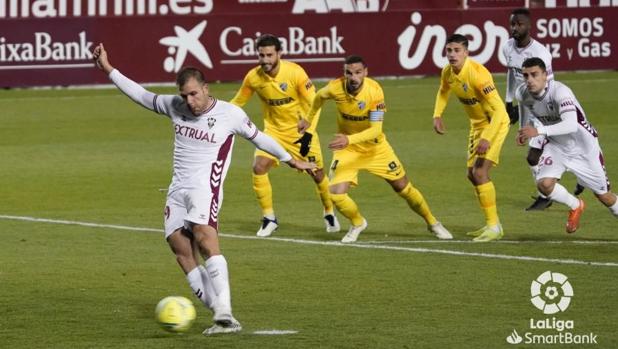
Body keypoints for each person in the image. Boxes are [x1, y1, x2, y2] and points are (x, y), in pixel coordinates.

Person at [92, 43, 315, 335]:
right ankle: (223, 317)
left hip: (204, 188)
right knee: (180, 247)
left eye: (194, 94)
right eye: (184, 95)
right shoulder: (175, 106)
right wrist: (109, 69)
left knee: (205, 240)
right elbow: (141, 95)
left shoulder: (229, 115)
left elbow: (260, 138)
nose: (190, 101)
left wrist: (290, 160)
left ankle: (224, 309)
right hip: (177, 189)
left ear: (206, 89)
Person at [300, 55, 453, 243]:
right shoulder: (335, 88)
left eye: (358, 73)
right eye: (349, 73)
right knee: (336, 194)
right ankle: (358, 223)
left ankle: (433, 223)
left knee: (404, 188)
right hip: (348, 150)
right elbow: (317, 98)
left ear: (366, 72)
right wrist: (308, 120)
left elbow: (375, 130)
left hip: (375, 148)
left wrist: (349, 139)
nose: (353, 77)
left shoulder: (375, 92)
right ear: (344, 73)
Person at [230, 34, 338, 237]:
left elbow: (315, 103)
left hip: (301, 132)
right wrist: (215, 112)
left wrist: (308, 132)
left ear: (279, 53)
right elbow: (237, 102)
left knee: (317, 174)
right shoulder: (253, 77)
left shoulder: (295, 73)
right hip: (274, 132)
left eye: (269, 55)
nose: (265, 60)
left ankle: (329, 212)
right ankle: (269, 218)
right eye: (261, 55)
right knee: (258, 166)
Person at [516, 57, 618, 232]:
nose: (530, 80)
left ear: (545, 75)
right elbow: (527, 110)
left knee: (604, 196)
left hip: (583, 148)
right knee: (544, 184)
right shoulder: (522, 92)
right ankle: (576, 205)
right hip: (556, 146)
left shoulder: (560, 92)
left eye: (534, 75)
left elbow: (571, 125)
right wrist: (524, 130)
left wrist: (539, 131)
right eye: (526, 75)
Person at [432, 34, 510, 242]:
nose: (452, 54)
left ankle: (494, 227)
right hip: (477, 126)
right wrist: (437, 114)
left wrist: (487, 138)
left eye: (457, 50)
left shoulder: (478, 75)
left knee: (480, 171)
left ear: (466, 52)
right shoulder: (447, 72)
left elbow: (501, 112)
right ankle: (491, 223)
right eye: (449, 50)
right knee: (471, 174)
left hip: (495, 124)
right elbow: (443, 91)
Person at [502, 8, 569, 211]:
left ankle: (546, 194)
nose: (515, 28)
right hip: (525, 106)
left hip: (543, 108)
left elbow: (547, 87)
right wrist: (508, 101)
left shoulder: (541, 54)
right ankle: (547, 191)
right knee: (532, 153)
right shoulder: (507, 47)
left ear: (529, 26)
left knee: (533, 156)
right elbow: (512, 74)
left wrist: (542, 115)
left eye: (519, 24)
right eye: (513, 24)